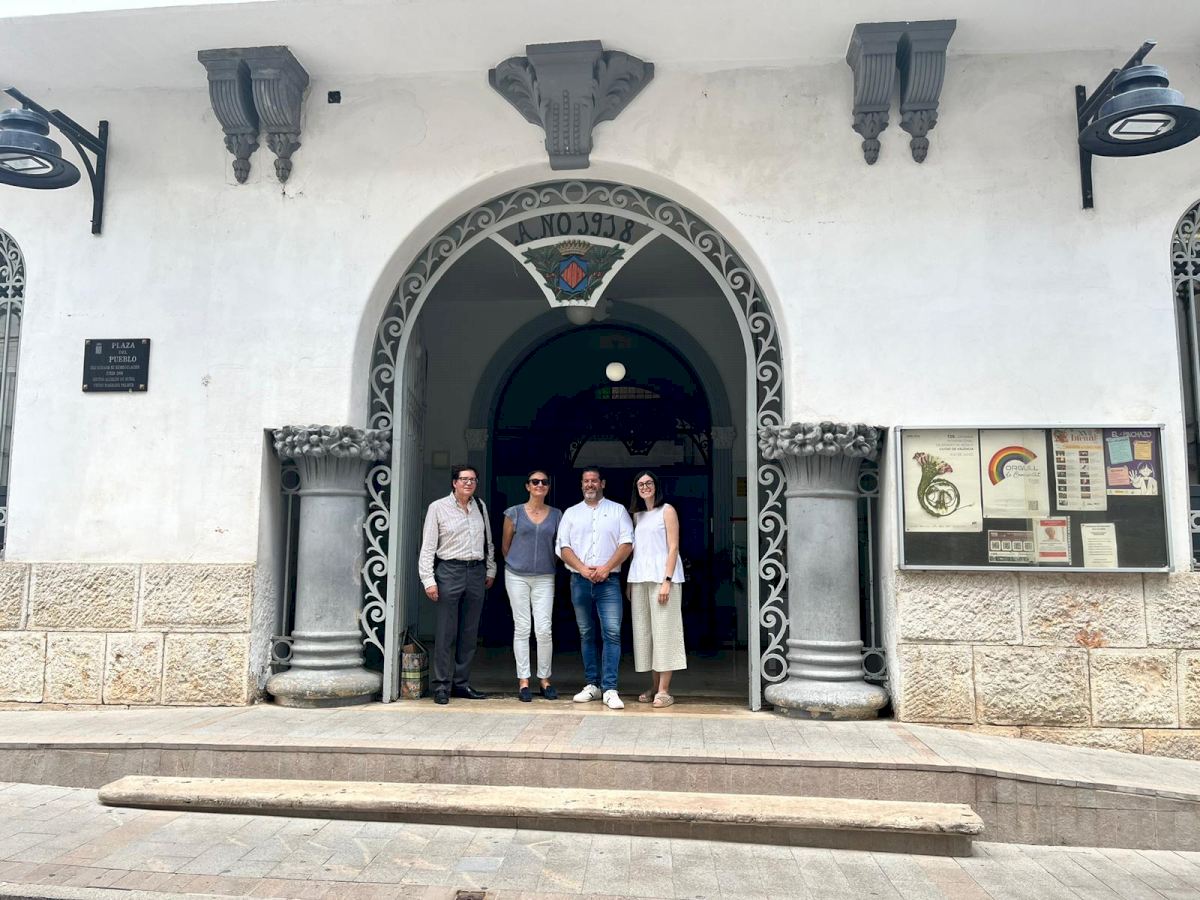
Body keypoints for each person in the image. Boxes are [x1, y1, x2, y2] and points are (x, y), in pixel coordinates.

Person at [555, 466, 634, 710]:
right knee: (586, 633)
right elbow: (563, 547)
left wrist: (606, 568)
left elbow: (627, 543)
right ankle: (592, 684)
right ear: (581, 485)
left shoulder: (618, 510)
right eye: (586, 481)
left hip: (609, 581)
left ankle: (610, 688)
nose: (590, 484)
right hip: (579, 581)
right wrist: (582, 569)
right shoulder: (571, 513)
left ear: (602, 484)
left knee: (612, 633)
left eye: (594, 480)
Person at [417, 464, 495, 705]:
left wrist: (490, 568)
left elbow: (488, 541)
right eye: (464, 479)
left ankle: (461, 683)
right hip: (449, 571)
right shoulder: (438, 507)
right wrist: (428, 580)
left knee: (469, 632)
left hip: (476, 571)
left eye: (473, 479)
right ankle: (441, 685)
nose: (469, 483)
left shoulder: (480, 506)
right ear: (454, 482)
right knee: (446, 632)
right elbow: (428, 547)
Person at [502, 469, 563, 702]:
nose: (539, 485)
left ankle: (545, 679)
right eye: (535, 482)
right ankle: (524, 680)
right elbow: (505, 545)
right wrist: (519, 563)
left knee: (544, 629)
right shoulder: (514, 513)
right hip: (516, 575)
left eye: (544, 482)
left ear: (548, 487)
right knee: (522, 627)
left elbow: (559, 546)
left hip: (545, 576)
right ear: (527, 486)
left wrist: (546, 563)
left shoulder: (556, 514)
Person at [627, 470, 687, 708]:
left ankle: (664, 690)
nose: (645, 487)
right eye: (640, 484)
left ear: (656, 486)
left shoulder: (667, 510)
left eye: (649, 483)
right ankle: (654, 686)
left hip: (663, 577)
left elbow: (673, 547)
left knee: (664, 632)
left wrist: (667, 580)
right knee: (646, 634)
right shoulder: (637, 515)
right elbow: (636, 551)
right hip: (640, 578)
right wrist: (630, 582)